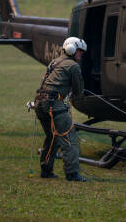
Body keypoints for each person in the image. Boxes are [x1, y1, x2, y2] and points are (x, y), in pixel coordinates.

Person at [34, 37, 87, 182]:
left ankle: (46, 171)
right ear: (71, 49)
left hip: (39, 104)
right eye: (80, 51)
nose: (81, 55)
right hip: (53, 105)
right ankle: (72, 174)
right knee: (69, 138)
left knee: (52, 138)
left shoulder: (54, 61)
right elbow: (78, 91)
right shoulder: (74, 66)